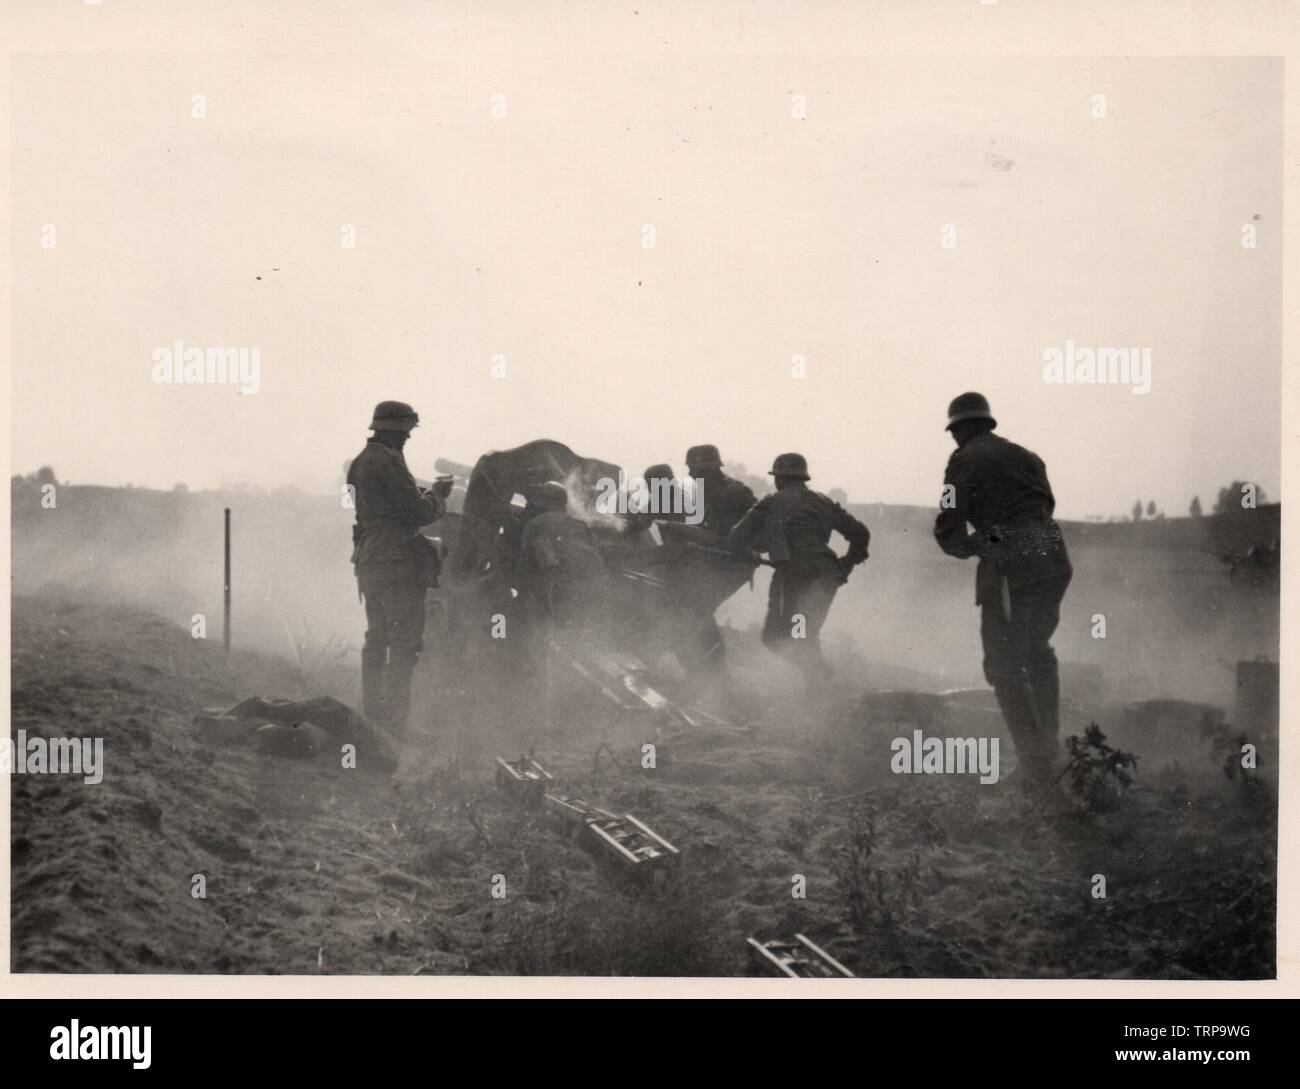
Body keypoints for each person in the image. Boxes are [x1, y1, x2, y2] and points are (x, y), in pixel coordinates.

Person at [932, 392, 1072, 786]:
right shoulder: (1029, 456)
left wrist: (972, 545)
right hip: (1053, 556)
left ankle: (1034, 762)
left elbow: (950, 521)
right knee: (1037, 652)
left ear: (959, 428)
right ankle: (1051, 749)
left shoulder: (962, 460)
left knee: (1003, 663)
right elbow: (1045, 507)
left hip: (1013, 564)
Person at [347, 400, 452, 736]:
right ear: (395, 429)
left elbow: (379, 507)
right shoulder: (389, 461)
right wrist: (437, 494)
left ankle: (372, 718)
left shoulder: (360, 462)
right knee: (405, 643)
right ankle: (395, 724)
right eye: (406, 431)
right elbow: (416, 514)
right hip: (397, 561)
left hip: (368, 558)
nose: (408, 438)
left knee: (376, 639)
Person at [726, 453, 869, 683]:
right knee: (803, 634)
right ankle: (818, 693)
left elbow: (735, 537)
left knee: (775, 637)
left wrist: (749, 554)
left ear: (779, 479)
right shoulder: (823, 502)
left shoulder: (771, 502)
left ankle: (820, 676)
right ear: (803, 478)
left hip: (796, 579)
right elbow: (860, 533)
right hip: (826, 577)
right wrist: (847, 564)